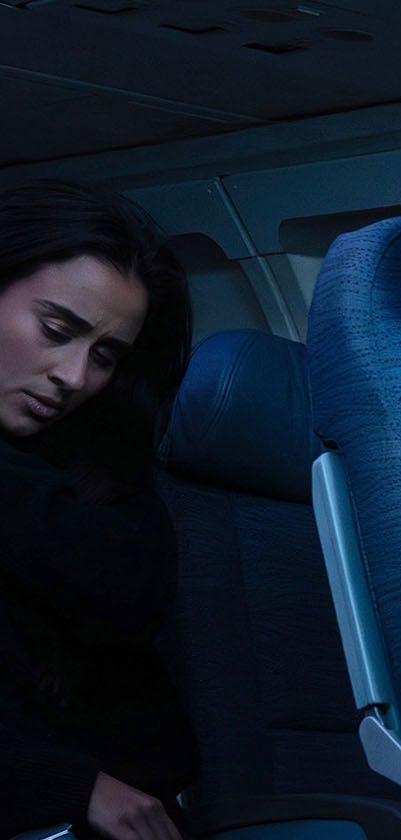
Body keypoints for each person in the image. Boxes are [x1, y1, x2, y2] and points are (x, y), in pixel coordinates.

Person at [0, 180, 194, 840]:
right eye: (56, 331)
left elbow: (128, 598)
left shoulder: (101, 474)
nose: (74, 376)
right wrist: (64, 786)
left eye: (104, 355)